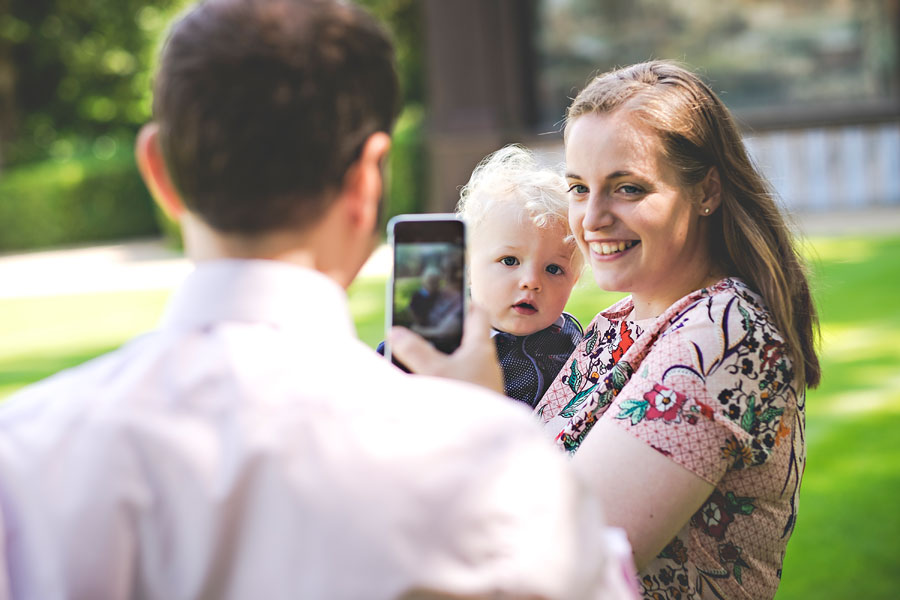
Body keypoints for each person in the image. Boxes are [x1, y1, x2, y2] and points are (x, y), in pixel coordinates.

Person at [0, 1, 638, 598]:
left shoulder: (26, 454)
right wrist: (488, 445)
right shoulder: (487, 456)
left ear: (159, 172)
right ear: (368, 181)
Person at [392, 60, 820, 600]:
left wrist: (481, 414)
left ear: (707, 190)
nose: (591, 218)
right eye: (578, 187)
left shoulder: (725, 336)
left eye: (627, 188)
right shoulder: (616, 324)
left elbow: (568, 559)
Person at [457, 145, 584, 407]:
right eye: (510, 261)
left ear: (574, 280)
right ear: (467, 267)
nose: (531, 281)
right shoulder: (450, 341)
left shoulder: (575, 343)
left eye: (553, 269)